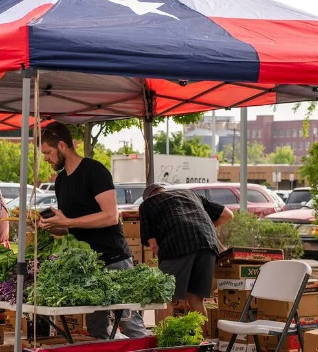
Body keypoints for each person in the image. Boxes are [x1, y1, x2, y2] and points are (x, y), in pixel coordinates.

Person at [38, 122, 146, 339]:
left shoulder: (94, 171)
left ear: (61, 146)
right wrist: (50, 225)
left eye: (47, 152)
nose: (46, 159)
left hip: (114, 260)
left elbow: (110, 215)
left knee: (131, 326)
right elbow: (71, 226)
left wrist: (68, 221)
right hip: (89, 268)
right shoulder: (60, 181)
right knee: (97, 331)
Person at [140, 183, 233, 321]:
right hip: (207, 244)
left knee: (167, 299)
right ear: (164, 190)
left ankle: (164, 341)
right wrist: (204, 229)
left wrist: (166, 262)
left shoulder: (147, 204)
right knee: (196, 299)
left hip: (177, 244)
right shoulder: (190, 194)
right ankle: (200, 340)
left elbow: (153, 244)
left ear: (147, 197)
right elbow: (227, 214)